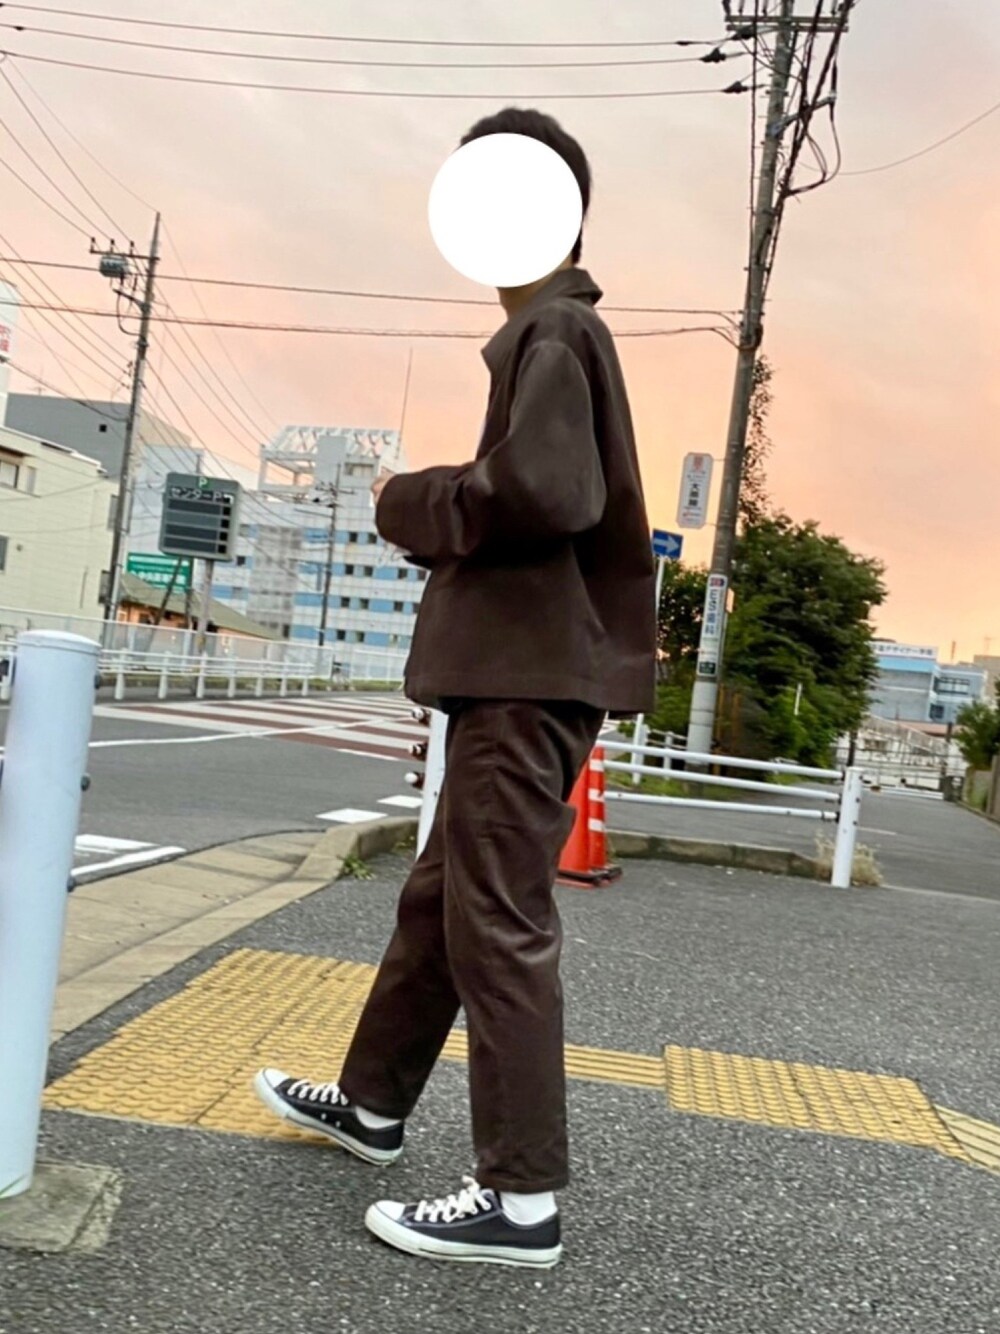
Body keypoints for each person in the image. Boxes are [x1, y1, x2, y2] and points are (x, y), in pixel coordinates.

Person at [255, 107, 656, 1269]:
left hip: (525, 677)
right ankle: (372, 1105)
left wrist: (412, 499)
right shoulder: (550, 334)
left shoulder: (556, 331)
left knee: (495, 922)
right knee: (441, 906)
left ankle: (520, 1200)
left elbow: (547, 489)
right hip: (523, 673)